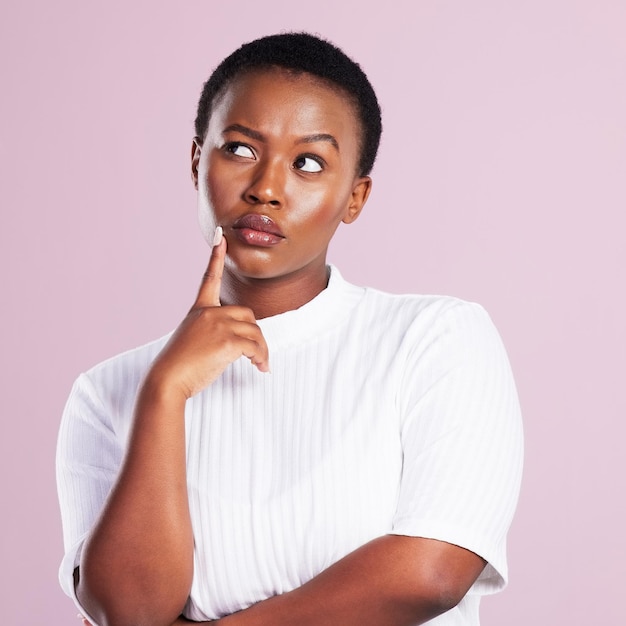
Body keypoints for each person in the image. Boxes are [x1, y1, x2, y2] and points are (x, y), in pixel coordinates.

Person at [57, 32, 523, 626]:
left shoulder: (435, 340)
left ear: (355, 197)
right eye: (241, 150)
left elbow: (432, 571)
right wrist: (164, 393)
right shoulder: (107, 393)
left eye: (308, 163)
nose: (267, 189)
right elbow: (129, 613)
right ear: (197, 160)